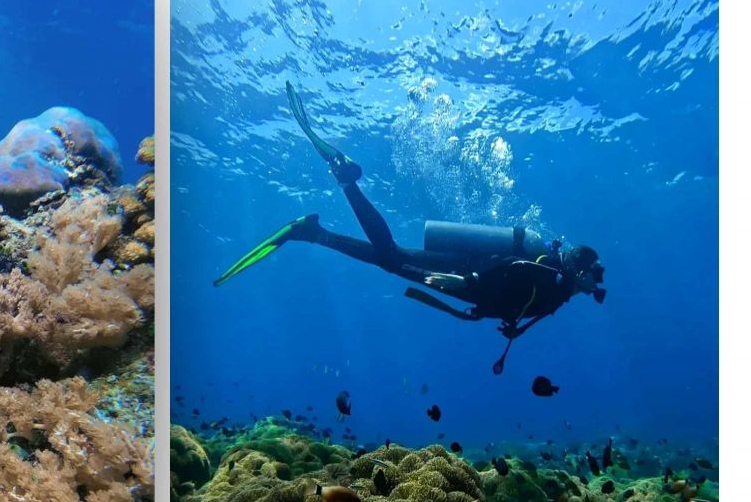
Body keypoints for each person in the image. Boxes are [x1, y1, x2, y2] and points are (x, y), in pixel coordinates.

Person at [216, 82, 606, 372]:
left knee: (388, 258)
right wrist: (468, 281)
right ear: (580, 269)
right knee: (390, 257)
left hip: (466, 281)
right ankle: (345, 180)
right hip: (463, 274)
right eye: (593, 276)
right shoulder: (550, 274)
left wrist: (509, 325)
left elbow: (515, 296)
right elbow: (511, 267)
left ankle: (313, 232)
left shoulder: (559, 290)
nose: (594, 286)